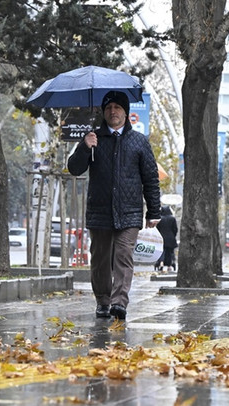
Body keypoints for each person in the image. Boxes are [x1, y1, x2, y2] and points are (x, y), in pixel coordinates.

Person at [67, 90, 161, 321]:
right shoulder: (93, 139)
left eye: (117, 108)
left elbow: (150, 177)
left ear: (126, 112)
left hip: (129, 212)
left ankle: (119, 303)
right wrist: (83, 146)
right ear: (103, 112)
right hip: (100, 211)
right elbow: (74, 169)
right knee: (99, 258)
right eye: (109, 108)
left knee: (123, 256)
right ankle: (103, 300)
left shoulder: (139, 141)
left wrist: (154, 211)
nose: (113, 112)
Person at [156, 206, 178, 272]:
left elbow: (158, 229)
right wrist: (173, 235)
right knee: (170, 252)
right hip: (171, 238)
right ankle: (170, 265)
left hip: (161, 238)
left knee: (162, 252)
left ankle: (161, 263)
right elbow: (175, 229)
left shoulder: (160, 219)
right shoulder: (172, 218)